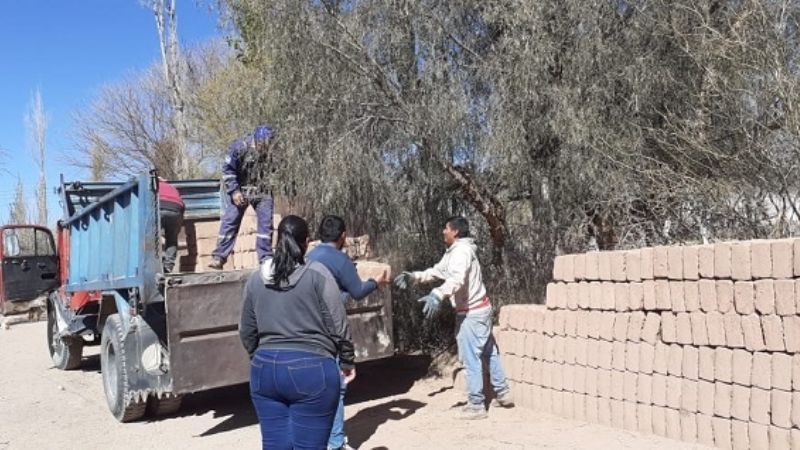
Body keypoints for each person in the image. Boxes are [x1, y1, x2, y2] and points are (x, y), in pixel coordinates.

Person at [239, 215, 356, 450]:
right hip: (312, 370)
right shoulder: (317, 273)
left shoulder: (256, 279)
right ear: (306, 242)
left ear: (277, 241)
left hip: (265, 371)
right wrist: (347, 360)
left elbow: (246, 330)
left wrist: (260, 357)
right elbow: (338, 323)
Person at [393, 216, 514, 419]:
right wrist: (414, 276)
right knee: (487, 352)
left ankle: (476, 405)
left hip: (471, 313)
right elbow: (438, 271)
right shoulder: (456, 251)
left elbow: (457, 279)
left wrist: (438, 294)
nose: (443, 231)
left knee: (470, 357)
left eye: (446, 228)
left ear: (455, 231)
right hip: (479, 310)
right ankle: (502, 393)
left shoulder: (461, 252)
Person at [306, 215, 389, 450]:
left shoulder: (308, 257)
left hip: (308, 330)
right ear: (342, 236)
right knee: (337, 388)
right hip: (330, 332)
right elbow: (358, 291)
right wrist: (376, 282)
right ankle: (335, 443)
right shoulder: (339, 260)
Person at [209, 124, 276, 269]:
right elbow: (228, 169)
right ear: (256, 140)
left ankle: (265, 258)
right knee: (230, 221)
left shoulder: (274, 151)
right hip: (240, 189)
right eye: (261, 145)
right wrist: (234, 191)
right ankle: (219, 256)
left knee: (266, 224)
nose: (263, 148)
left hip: (262, 189)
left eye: (267, 146)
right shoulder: (239, 147)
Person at [158, 177, 184, 273]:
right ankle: (168, 266)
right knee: (172, 239)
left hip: (159, 207)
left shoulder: (152, 186)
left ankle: (155, 264)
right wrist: (177, 227)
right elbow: (182, 206)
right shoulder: (172, 188)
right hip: (176, 210)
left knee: (153, 238)